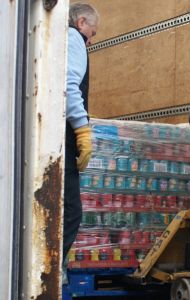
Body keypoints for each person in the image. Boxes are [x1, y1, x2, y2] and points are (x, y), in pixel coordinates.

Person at [64, 3, 99, 264]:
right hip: (64, 136)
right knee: (72, 213)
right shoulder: (74, 38)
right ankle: (48, 272)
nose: (89, 41)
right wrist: (82, 129)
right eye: (91, 34)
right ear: (82, 22)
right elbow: (69, 85)